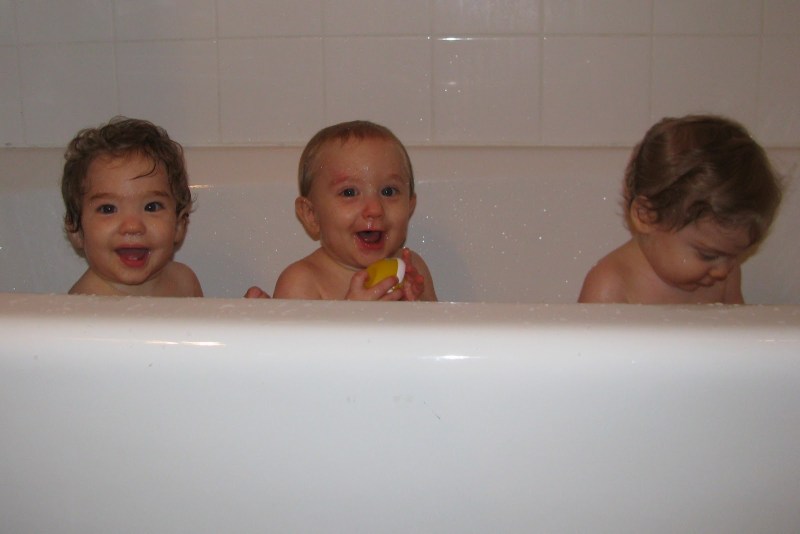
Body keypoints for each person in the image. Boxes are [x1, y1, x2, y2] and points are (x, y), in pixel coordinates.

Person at [578, 114, 781, 304]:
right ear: (647, 216)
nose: (723, 270)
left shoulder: (724, 275)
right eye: (708, 255)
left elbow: (740, 330)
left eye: (734, 256)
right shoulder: (611, 286)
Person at [265, 120, 436, 301]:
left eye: (388, 191)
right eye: (349, 192)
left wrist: (415, 307)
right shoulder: (302, 282)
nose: (375, 209)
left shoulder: (413, 269)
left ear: (409, 206)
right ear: (312, 215)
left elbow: (443, 320)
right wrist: (352, 312)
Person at [62, 116, 203, 297]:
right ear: (76, 230)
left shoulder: (184, 281)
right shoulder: (84, 303)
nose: (132, 226)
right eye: (108, 209)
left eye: (151, 207)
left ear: (178, 225)